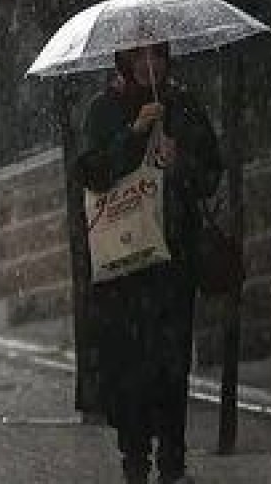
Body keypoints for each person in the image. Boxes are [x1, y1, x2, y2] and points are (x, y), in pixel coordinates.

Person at [77, 42, 223, 484]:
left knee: (172, 363)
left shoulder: (182, 105)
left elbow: (210, 174)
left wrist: (181, 162)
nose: (148, 65)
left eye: (156, 55)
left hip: (173, 259)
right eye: (138, 57)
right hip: (125, 264)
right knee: (130, 365)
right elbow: (92, 173)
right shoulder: (104, 109)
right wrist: (134, 134)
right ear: (123, 61)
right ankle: (135, 458)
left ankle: (173, 460)